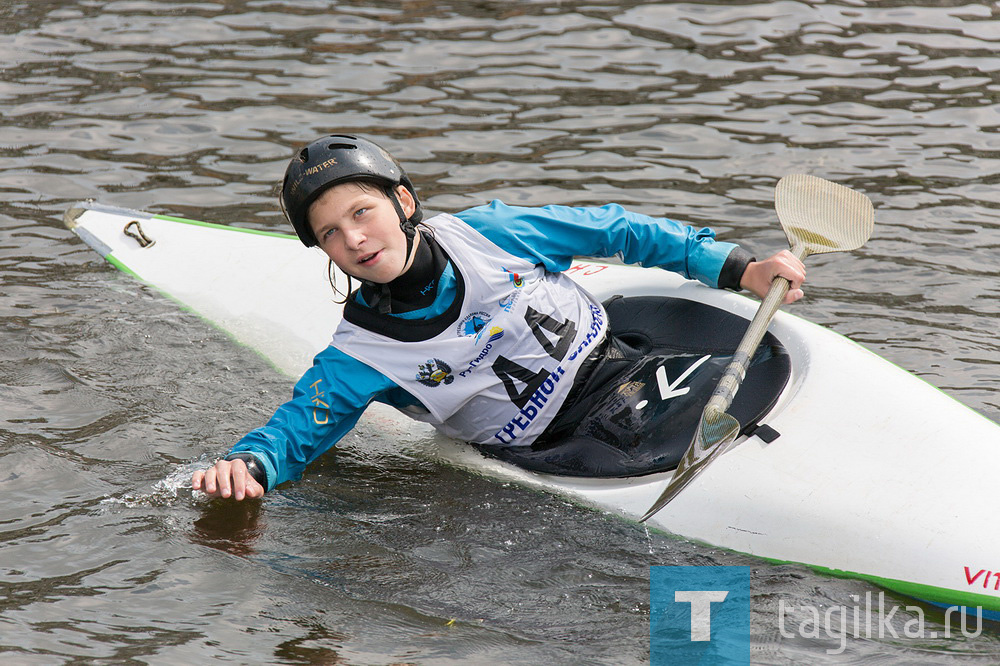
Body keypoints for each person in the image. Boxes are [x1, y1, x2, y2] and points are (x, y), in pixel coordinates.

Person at [191, 134, 805, 500]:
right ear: (323, 250)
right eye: (329, 232)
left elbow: (620, 230)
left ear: (402, 202)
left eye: (361, 212)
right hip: (564, 449)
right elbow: (296, 431)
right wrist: (248, 467)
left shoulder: (490, 232)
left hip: (629, 360)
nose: (353, 238)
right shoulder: (359, 357)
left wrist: (735, 267)